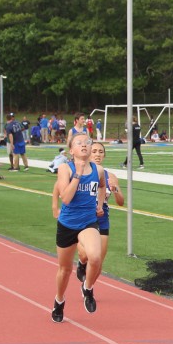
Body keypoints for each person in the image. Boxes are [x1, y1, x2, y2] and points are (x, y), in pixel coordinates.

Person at [51, 132, 106, 323]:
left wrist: (100, 204)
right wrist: (78, 174)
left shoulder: (98, 170)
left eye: (87, 142)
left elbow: (102, 186)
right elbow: (66, 198)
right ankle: (59, 300)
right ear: (71, 150)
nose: (84, 145)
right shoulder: (65, 168)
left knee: (95, 257)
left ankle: (87, 288)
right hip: (67, 224)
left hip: (88, 222)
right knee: (65, 270)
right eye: (79, 143)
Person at [72, 142, 124, 286]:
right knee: (85, 254)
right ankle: (82, 263)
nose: (97, 155)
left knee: (98, 261)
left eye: (101, 152)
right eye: (94, 151)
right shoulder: (79, 173)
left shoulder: (110, 176)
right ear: (88, 153)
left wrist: (115, 189)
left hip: (102, 219)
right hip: (83, 218)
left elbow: (121, 202)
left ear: (104, 155)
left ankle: (87, 288)